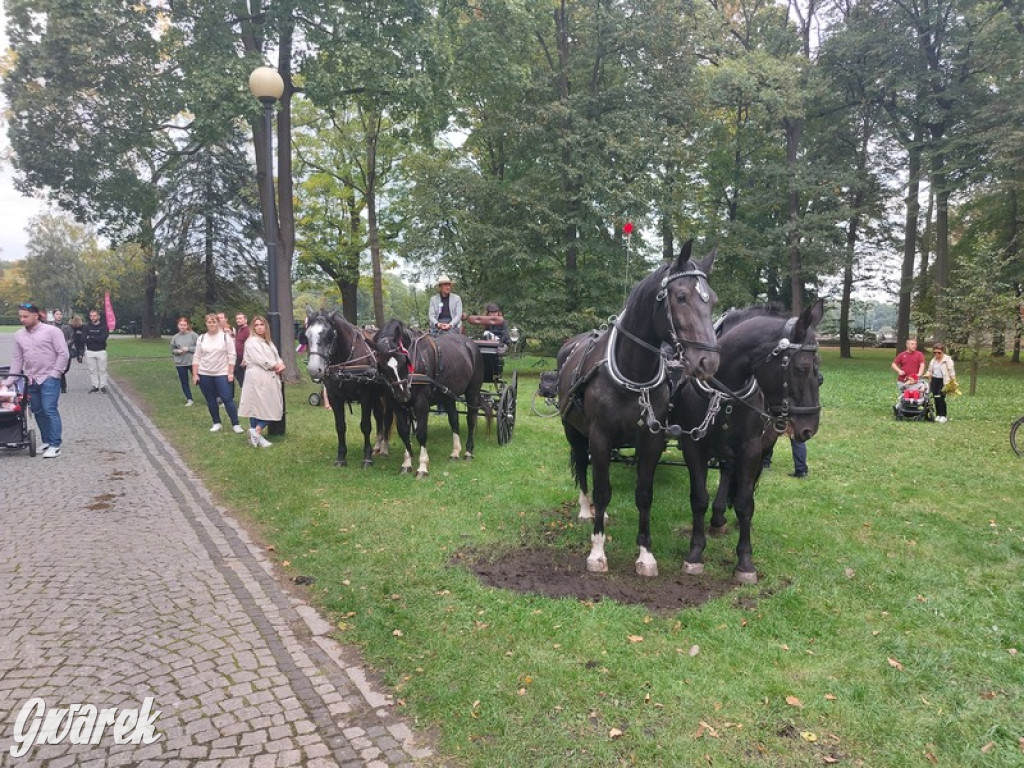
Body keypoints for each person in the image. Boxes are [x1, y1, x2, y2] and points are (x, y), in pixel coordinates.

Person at [3, 302, 70, 458]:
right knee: (38, 411)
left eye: (25, 316)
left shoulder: (52, 331)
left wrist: (56, 373)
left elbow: (63, 354)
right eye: (20, 316)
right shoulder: (19, 335)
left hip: (49, 377)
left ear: (36, 315)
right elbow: (17, 359)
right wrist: (9, 381)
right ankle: (46, 441)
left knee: (49, 410)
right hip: (31, 379)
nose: (22, 319)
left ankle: (55, 444)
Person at [237, 316, 286, 448]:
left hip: (269, 376)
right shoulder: (252, 342)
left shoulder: (268, 342)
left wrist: (281, 365)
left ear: (265, 326)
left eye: (261, 324)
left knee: (270, 404)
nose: (259, 327)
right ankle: (257, 431)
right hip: (258, 377)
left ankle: (255, 434)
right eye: (256, 325)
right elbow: (261, 359)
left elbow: (277, 357)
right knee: (258, 406)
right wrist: (276, 366)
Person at [192, 313, 244, 434]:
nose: (211, 324)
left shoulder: (226, 337)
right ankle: (216, 422)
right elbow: (197, 356)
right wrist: (195, 374)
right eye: (209, 322)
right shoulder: (202, 338)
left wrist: (230, 372)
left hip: (222, 372)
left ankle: (236, 424)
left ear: (218, 323)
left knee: (227, 398)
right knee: (210, 399)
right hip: (205, 372)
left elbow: (232, 355)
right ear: (206, 323)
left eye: (214, 322)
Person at [170, 316, 198, 406]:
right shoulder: (175, 337)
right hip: (180, 363)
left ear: (187, 325)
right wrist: (177, 351)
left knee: (200, 380)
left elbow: (200, 347)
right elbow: (172, 350)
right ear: (178, 325)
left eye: (184, 325)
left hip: (192, 362)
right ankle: (189, 399)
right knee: (184, 381)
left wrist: (188, 349)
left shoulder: (193, 335)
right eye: (181, 325)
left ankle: (210, 396)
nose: (182, 327)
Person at [927, 343, 957, 423]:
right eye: (935, 352)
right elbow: (930, 370)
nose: (937, 354)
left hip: (943, 381)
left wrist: (953, 381)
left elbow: (951, 371)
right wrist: (927, 375)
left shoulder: (947, 360)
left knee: (941, 397)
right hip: (934, 380)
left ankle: (943, 415)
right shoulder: (933, 361)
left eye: (939, 352)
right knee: (936, 397)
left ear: (943, 352)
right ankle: (938, 415)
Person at [83, 308, 110, 393]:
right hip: (90, 351)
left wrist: (91, 337)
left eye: (94, 316)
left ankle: (103, 385)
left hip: (101, 350)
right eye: (91, 316)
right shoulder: (87, 327)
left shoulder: (104, 327)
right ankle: (95, 385)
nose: (92, 317)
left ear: (98, 316)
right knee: (92, 370)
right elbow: (83, 338)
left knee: (102, 370)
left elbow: (103, 338)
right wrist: (95, 338)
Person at [52, 309, 73, 393]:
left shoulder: (67, 326)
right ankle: (60, 386)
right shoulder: (50, 326)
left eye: (60, 314)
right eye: (57, 314)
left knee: (65, 369)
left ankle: (62, 385)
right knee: (55, 368)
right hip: (53, 351)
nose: (59, 316)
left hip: (65, 350)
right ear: (54, 315)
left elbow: (72, 337)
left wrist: (64, 345)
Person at [233, 313, 250, 388]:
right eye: (237, 319)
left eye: (240, 318)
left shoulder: (247, 330)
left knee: (243, 379)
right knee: (239, 377)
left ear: (245, 320)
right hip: (238, 358)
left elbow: (249, 345)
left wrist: (245, 358)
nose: (238, 320)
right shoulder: (239, 330)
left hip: (244, 359)